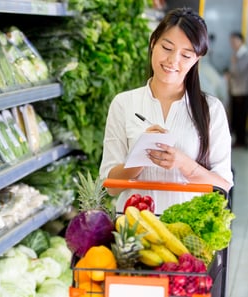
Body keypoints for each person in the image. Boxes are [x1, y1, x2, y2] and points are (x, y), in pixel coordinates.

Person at [99, 7, 233, 214]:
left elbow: (222, 185)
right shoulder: (123, 103)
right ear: (153, 43)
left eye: (186, 55)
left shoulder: (211, 109)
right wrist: (139, 158)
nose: (173, 61)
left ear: (196, 59)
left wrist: (184, 164)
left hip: (188, 233)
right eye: (167, 48)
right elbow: (110, 186)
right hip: (133, 232)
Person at [227, 31, 248, 147]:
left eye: (235, 41)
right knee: (236, 116)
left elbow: (238, 72)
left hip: (242, 91)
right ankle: (238, 139)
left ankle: (241, 140)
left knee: (240, 116)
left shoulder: (244, 55)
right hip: (236, 90)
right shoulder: (237, 54)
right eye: (231, 42)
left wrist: (234, 64)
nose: (233, 44)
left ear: (241, 41)